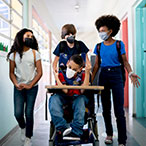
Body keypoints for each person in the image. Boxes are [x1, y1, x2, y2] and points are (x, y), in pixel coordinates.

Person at [91, 15, 140, 146]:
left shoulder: (119, 44)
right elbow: (96, 65)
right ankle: (109, 134)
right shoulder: (98, 46)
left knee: (119, 110)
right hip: (103, 76)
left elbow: (125, 62)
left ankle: (122, 140)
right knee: (105, 108)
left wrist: (131, 73)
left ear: (110, 31)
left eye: (103, 30)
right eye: (99, 30)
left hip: (117, 75)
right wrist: (89, 80)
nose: (101, 33)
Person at [7, 28, 42, 146]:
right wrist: (16, 84)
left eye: (31, 36)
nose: (30, 38)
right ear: (21, 37)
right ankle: (23, 127)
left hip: (32, 87)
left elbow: (39, 72)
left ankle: (28, 137)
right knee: (18, 113)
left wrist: (30, 85)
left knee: (29, 113)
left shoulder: (35, 53)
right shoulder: (14, 54)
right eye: (28, 35)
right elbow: (11, 73)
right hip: (19, 87)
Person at [49, 54, 91, 141]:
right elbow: (65, 91)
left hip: (77, 97)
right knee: (53, 99)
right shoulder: (61, 73)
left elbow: (83, 90)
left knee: (80, 100)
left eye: (74, 69)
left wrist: (87, 73)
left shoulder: (82, 75)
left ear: (80, 69)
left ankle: (76, 131)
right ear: (67, 62)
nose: (71, 70)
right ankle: (63, 129)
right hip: (63, 97)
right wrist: (56, 77)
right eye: (70, 66)